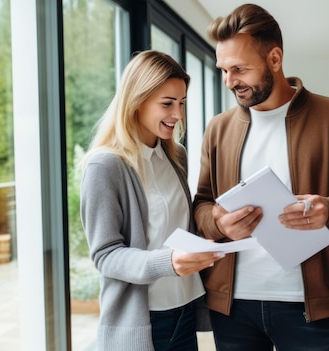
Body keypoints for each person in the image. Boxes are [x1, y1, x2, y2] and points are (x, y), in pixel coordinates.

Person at [193, 4, 329, 350]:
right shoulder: (218, 128)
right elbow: (201, 206)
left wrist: (328, 211)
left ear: (275, 59)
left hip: (307, 306)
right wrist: (220, 223)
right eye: (223, 70)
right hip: (232, 307)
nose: (230, 81)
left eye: (239, 69)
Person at [80, 50, 223, 351]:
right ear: (137, 100)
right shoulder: (105, 166)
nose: (178, 115)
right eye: (167, 104)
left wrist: (219, 221)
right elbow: (105, 255)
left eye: (181, 103)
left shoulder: (176, 157)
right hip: (144, 322)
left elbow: (180, 226)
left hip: (186, 311)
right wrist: (167, 262)